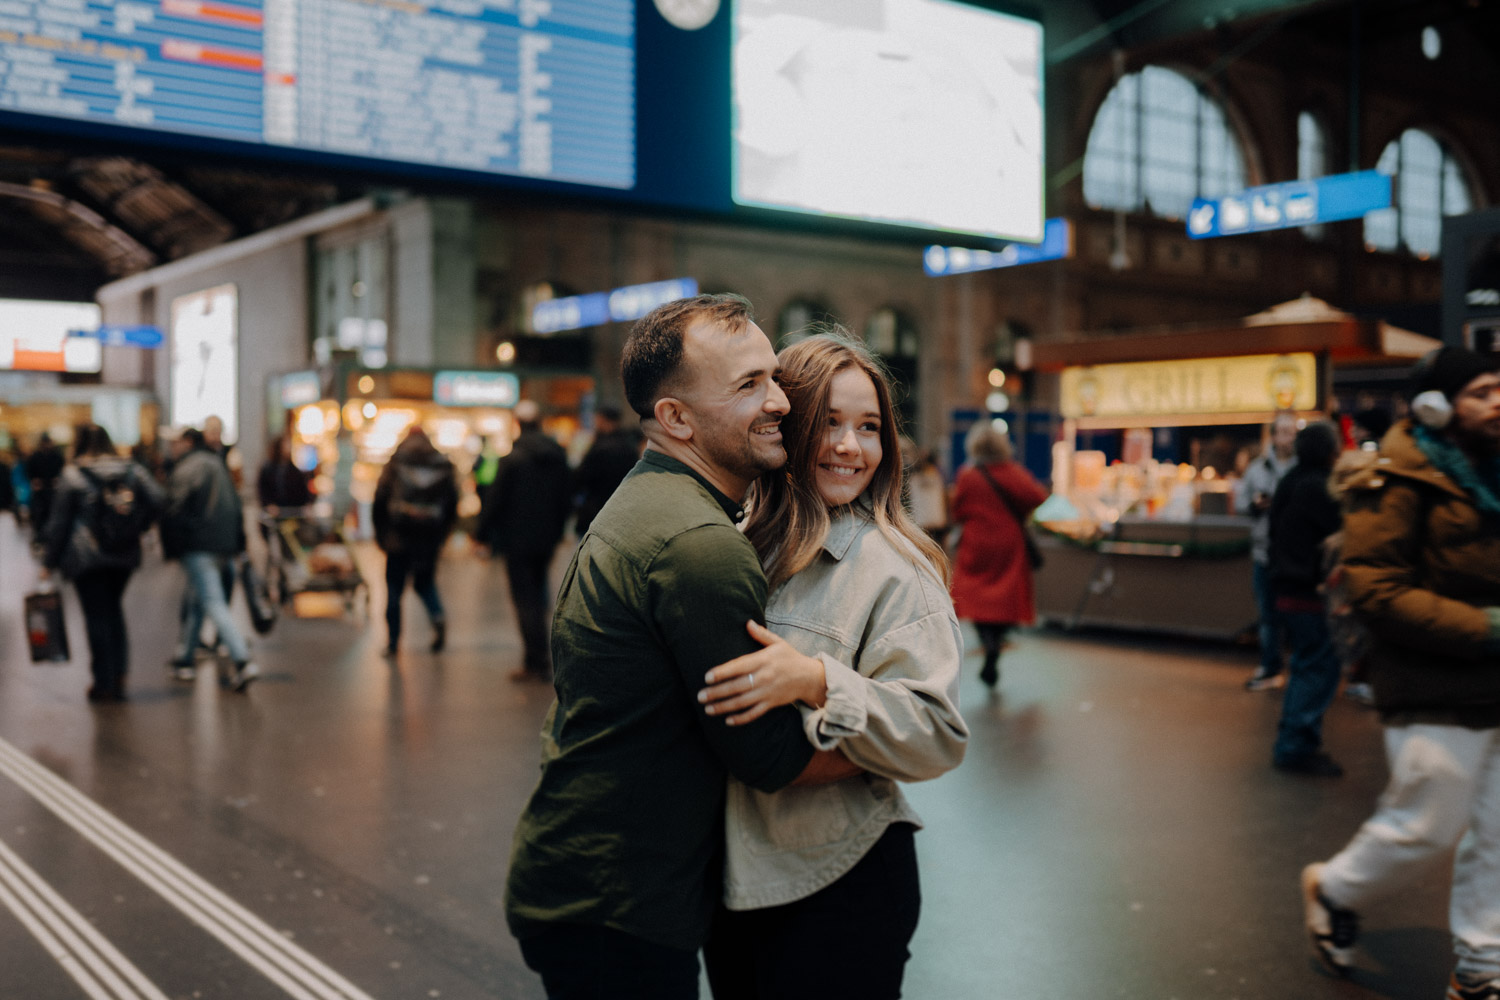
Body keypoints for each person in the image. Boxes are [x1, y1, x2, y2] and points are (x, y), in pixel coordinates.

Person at [505, 293, 851, 1000]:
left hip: (576, 879)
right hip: (618, 908)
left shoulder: (649, 500)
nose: (781, 401)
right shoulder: (700, 548)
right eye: (749, 385)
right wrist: (897, 739)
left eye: (773, 376)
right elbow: (770, 757)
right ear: (676, 419)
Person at [696, 332, 968, 999]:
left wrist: (818, 682)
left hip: (839, 881)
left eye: (869, 427)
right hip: (735, 884)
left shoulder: (894, 569)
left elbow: (938, 733)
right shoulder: (734, 544)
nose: (851, 446)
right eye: (831, 423)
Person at [1301, 346, 1500, 1000]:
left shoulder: (1492, 472)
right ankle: (1333, 888)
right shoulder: (1392, 477)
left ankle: (1480, 964)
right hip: (1431, 685)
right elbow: (1377, 590)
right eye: (1481, 392)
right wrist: (1488, 628)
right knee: (1426, 826)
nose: (1497, 402)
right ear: (1436, 405)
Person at [40, 424, 162, 702]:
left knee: (97, 616)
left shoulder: (73, 475)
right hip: (124, 555)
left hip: (86, 557)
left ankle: (103, 682)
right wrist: (136, 527)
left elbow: (59, 524)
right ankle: (119, 675)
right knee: (114, 612)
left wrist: (48, 561)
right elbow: (158, 500)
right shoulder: (132, 470)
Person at [1267, 422, 1345, 776]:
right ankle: (1295, 747)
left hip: (1286, 588)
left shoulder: (1290, 481)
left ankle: (1295, 743)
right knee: (1317, 667)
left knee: (1306, 664)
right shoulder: (1318, 488)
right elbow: (1343, 529)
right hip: (1308, 591)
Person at [949, 421, 1048, 687]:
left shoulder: (967, 475)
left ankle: (988, 641)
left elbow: (957, 510)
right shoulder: (1012, 472)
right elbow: (1037, 497)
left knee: (975, 595)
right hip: (1008, 543)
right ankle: (998, 638)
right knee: (1004, 596)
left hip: (976, 542)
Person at [480, 399, 571, 681]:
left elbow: (495, 500)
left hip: (517, 540)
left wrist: (481, 534)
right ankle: (545, 656)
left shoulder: (512, 459)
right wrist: (557, 530)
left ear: (517, 424)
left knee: (525, 600)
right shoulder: (558, 457)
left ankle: (536, 662)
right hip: (547, 539)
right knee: (540, 593)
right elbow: (566, 498)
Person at [162, 427, 258, 691]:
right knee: (198, 601)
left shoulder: (189, 467)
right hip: (221, 545)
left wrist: (172, 547)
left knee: (212, 602)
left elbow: (173, 507)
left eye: (176, 441)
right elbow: (235, 505)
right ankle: (184, 658)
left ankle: (242, 659)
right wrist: (238, 544)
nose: (171, 447)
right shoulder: (215, 464)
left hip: (200, 546)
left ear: (189, 442)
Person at [372, 425, 458, 656]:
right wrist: (442, 535)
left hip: (397, 538)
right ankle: (437, 616)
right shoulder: (441, 463)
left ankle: (392, 643)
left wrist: (381, 535)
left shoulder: (396, 461)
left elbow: (380, 499)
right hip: (428, 539)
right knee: (425, 583)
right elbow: (452, 503)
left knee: (394, 590)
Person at [1235, 412, 1299, 690]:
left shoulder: (1303, 466)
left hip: (1296, 555)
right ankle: (1271, 667)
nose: (1289, 437)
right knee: (1268, 614)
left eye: (1293, 431)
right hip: (1265, 552)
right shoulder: (1257, 468)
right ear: (1273, 435)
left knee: (1298, 615)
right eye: (1283, 431)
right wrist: (1254, 505)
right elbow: (1239, 502)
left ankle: (1299, 670)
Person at [572, 405, 640, 537]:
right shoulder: (629, 446)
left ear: (603, 420)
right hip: (621, 511)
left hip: (596, 511)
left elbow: (582, 478)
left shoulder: (600, 448)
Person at [905, 441, 950, 546]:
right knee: (938, 550)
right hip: (937, 519)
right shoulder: (938, 476)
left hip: (921, 521)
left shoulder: (914, 478)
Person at [256, 436, 314, 515]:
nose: (289, 447)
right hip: (274, 512)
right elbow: (263, 490)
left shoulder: (294, 470)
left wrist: (307, 504)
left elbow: (301, 490)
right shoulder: (268, 469)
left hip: (291, 512)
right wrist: (269, 504)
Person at [25, 431, 64, 539]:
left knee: (52, 512)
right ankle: (40, 536)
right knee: (39, 514)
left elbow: (61, 470)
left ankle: (49, 535)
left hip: (52, 489)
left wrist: (57, 480)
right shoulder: (35, 457)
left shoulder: (56, 456)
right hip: (40, 490)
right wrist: (34, 480)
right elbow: (29, 471)